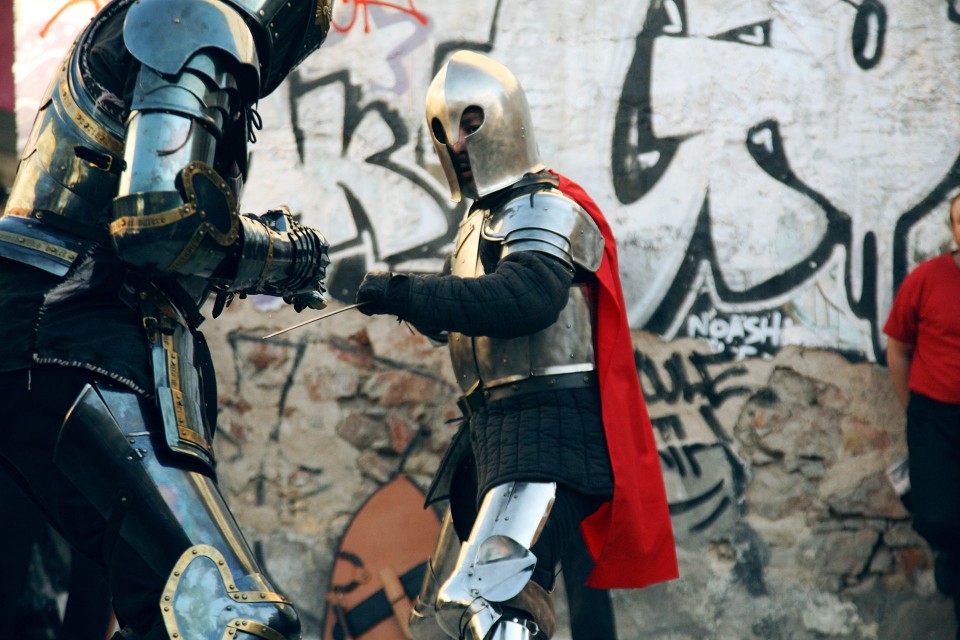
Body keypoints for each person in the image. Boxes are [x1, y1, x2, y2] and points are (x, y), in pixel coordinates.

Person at [0, 0, 335, 638]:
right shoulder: (191, 17)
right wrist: (283, 256)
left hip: (47, 332)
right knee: (225, 616)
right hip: (72, 333)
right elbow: (156, 223)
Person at [355, 51, 678, 640]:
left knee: (494, 603)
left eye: (471, 121)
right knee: (464, 610)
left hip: (549, 432)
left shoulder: (544, 206)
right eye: (443, 130)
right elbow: (468, 318)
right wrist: (410, 301)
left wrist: (408, 292)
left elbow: (527, 298)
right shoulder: (482, 222)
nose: (457, 143)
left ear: (506, 118)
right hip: (501, 435)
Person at [884, 193, 960, 638]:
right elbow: (898, 348)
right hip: (933, 416)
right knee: (936, 518)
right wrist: (912, 408)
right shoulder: (927, 278)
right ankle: (950, 556)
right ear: (952, 229)